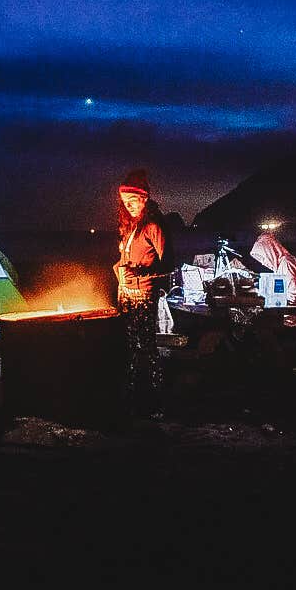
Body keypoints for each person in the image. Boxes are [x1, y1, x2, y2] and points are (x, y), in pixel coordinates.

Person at [112, 168, 173, 419]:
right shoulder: (131, 227)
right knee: (128, 348)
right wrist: (119, 267)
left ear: (144, 198)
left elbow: (168, 264)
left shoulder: (153, 225)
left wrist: (138, 273)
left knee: (146, 347)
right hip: (125, 294)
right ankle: (133, 398)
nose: (129, 207)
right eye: (125, 204)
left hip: (143, 296)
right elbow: (128, 259)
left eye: (133, 202)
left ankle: (157, 402)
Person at [248, 232, 296, 367]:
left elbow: (294, 296)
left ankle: (272, 362)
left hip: (291, 320)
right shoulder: (285, 262)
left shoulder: (287, 264)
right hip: (291, 315)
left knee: (256, 325)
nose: (265, 261)